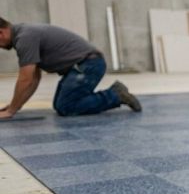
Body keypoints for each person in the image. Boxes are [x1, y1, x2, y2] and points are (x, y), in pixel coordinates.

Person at [0, 17, 141, 119]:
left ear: (1, 33)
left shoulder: (24, 38)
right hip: (82, 65)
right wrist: (15, 106)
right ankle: (113, 94)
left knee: (66, 107)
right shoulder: (24, 34)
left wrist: (11, 110)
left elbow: (26, 79)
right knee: (60, 105)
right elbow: (34, 78)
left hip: (89, 64)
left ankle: (115, 95)